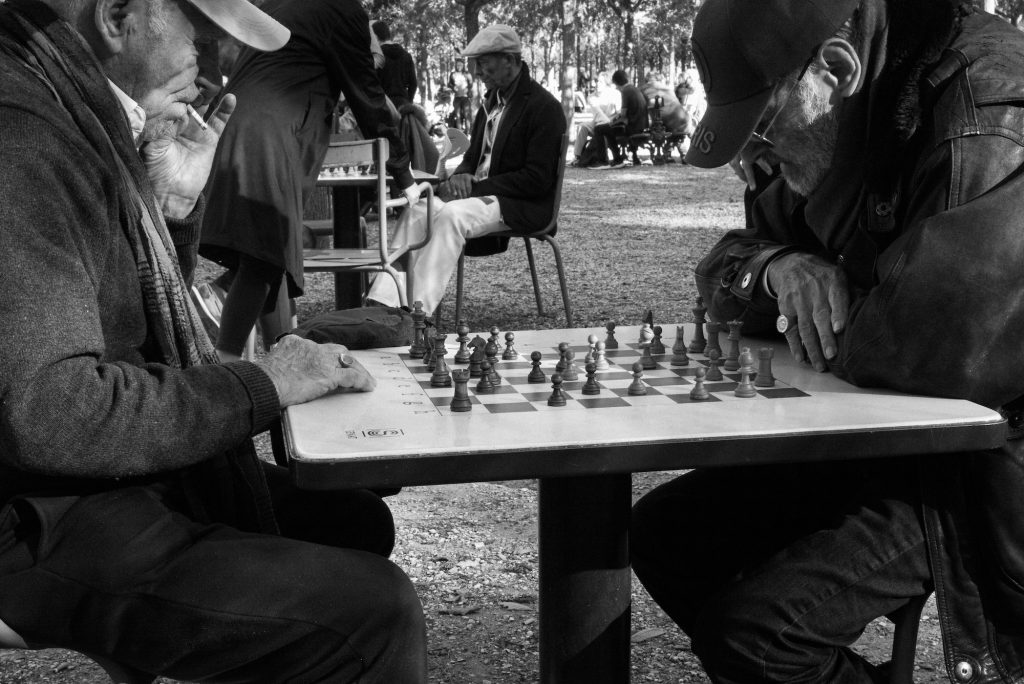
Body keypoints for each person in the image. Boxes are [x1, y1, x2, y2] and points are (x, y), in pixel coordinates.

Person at [0, 0, 427, 680]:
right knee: (375, 611)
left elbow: (126, 325)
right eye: (200, 34)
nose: (214, 68)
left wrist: (170, 211)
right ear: (116, 15)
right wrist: (262, 384)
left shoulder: (70, 104)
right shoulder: (21, 132)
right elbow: (52, 413)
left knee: (353, 523)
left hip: (82, 477)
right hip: (36, 513)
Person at [631, 0, 1024, 682]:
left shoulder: (991, 112)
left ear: (836, 70)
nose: (747, 165)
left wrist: (815, 300)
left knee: (758, 638)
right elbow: (725, 277)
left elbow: (921, 348)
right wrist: (778, 267)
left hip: (986, 462)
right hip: (891, 434)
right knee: (664, 536)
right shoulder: (840, 109)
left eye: (760, 130)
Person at [198, 0, 422, 362]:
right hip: (269, 137)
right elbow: (368, 97)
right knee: (265, 253)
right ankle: (221, 326)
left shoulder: (281, 4)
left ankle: (258, 354)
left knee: (266, 255)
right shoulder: (343, 11)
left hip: (231, 125)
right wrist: (404, 175)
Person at [365, 24, 566, 316]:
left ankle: (415, 314)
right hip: (482, 198)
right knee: (417, 210)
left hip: (520, 204)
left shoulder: (544, 107)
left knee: (451, 215)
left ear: (509, 60)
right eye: (476, 64)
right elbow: (472, 158)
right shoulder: (491, 103)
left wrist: (475, 187)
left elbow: (538, 180)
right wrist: (460, 176)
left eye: (483, 63)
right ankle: (384, 302)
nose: (477, 71)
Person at [594, 69, 649, 169]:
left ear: (616, 82)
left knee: (599, 129)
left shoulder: (625, 91)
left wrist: (613, 121)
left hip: (632, 126)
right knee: (609, 128)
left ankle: (603, 161)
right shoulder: (634, 88)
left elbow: (623, 114)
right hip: (641, 124)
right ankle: (617, 159)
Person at [570, 70, 619, 167]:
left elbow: (618, 112)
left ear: (606, 84)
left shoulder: (614, 94)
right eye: (596, 81)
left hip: (611, 121)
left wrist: (611, 120)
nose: (597, 84)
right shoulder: (591, 97)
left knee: (601, 127)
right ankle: (577, 156)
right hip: (598, 121)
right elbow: (598, 114)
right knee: (583, 126)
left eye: (600, 82)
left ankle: (602, 159)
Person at [372, 20, 417, 109]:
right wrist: (409, 102)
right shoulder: (406, 56)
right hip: (403, 105)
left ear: (376, 37)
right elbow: (413, 84)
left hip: (383, 106)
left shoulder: (376, 58)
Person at [448, 57, 474, 132]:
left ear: (463, 66)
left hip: (465, 98)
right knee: (458, 115)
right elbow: (449, 84)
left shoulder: (467, 74)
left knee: (466, 115)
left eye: (460, 65)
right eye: (457, 65)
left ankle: (468, 132)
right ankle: (459, 132)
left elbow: (471, 83)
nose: (459, 67)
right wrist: (453, 87)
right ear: (455, 66)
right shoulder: (453, 74)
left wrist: (468, 88)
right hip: (457, 98)